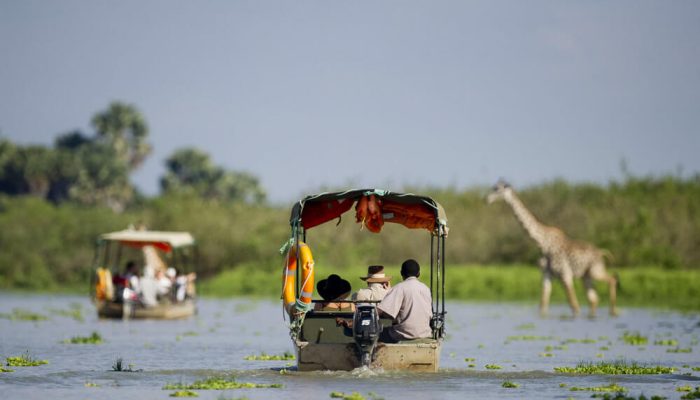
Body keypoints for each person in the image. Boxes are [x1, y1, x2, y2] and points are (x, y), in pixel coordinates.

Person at [376, 259, 433, 343]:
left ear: (401, 273)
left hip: (402, 334)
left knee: (374, 333)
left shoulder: (400, 288)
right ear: (418, 274)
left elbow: (381, 311)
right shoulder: (426, 289)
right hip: (425, 333)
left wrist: (369, 314)